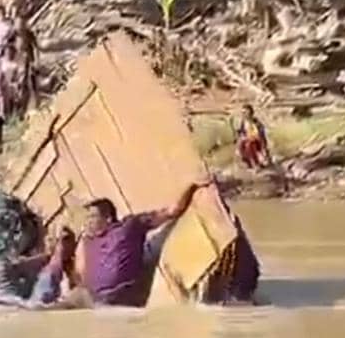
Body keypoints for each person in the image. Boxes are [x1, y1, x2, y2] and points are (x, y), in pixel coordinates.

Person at [80, 179, 213, 307]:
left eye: (92, 217)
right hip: (95, 301)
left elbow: (172, 211)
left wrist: (191, 185)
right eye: (86, 218)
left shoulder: (128, 226)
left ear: (108, 218)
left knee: (157, 241)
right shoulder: (89, 240)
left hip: (122, 297)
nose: (88, 221)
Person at [28, 227, 79, 306]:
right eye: (62, 241)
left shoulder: (71, 269)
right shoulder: (50, 271)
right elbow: (40, 304)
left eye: (68, 240)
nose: (65, 246)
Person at [234, 105, 272, 169]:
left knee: (249, 145)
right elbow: (242, 132)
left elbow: (260, 134)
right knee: (241, 145)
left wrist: (255, 137)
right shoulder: (243, 122)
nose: (244, 114)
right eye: (243, 113)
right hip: (247, 139)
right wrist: (240, 134)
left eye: (245, 112)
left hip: (257, 141)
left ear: (250, 113)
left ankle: (257, 163)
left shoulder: (256, 122)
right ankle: (248, 163)